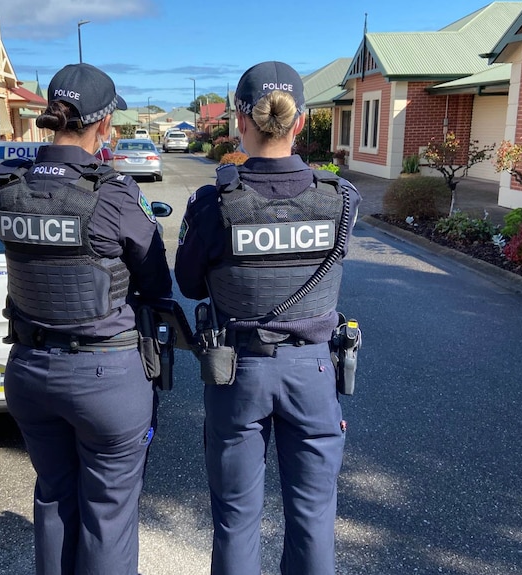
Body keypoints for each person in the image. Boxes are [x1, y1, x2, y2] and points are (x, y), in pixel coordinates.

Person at [174, 61, 361, 575]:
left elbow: (189, 284)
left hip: (239, 375)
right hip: (314, 374)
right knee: (314, 517)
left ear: (241, 121)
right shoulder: (340, 198)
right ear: (299, 122)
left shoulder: (213, 203)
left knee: (235, 519)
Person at [0, 62, 172, 575]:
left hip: (28, 369)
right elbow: (157, 282)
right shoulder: (114, 193)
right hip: (105, 378)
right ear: (104, 125)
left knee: (53, 497)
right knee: (108, 514)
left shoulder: (10, 184)